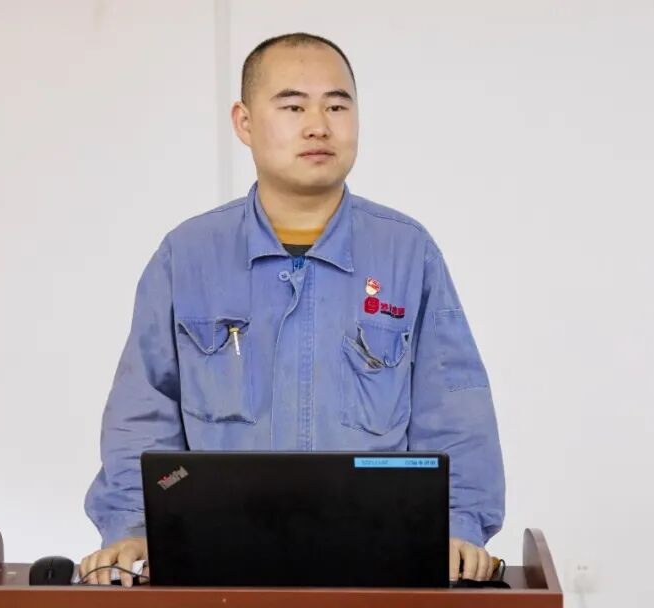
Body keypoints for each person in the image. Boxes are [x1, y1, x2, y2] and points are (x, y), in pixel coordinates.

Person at [80, 32, 504, 586]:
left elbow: (454, 409)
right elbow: (142, 409)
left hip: (374, 566)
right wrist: (133, 525)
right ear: (244, 122)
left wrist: (460, 525)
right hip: (216, 566)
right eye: (293, 106)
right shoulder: (187, 256)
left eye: (337, 106)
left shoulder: (407, 253)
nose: (318, 126)